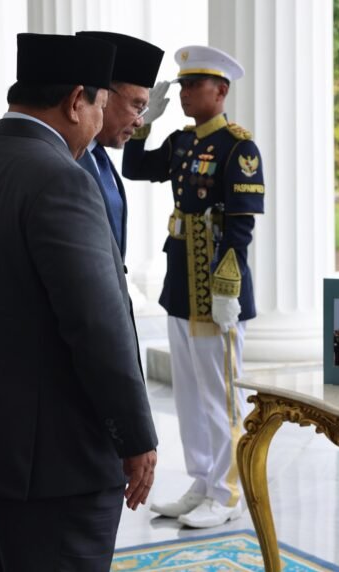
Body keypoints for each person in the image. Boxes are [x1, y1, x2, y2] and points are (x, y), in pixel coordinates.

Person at [0, 33, 158, 572]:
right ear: (78, 100)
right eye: (101, 104)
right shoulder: (61, 180)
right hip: (50, 460)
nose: (100, 121)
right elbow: (96, 325)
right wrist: (136, 436)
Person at [122, 45, 265, 528]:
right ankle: (202, 481)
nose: (183, 93)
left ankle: (227, 492)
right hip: (182, 283)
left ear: (220, 91)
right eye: (181, 85)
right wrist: (143, 123)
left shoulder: (238, 148)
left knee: (221, 395)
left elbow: (241, 228)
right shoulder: (183, 143)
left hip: (216, 292)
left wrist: (227, 287)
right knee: (188, 394)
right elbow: (135, 167)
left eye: (192, 85)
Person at [75, 31, 164, 259]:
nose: (140, 121)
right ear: (104, 96)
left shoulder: (98, 155)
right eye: (137, 105)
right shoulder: (68, 157)